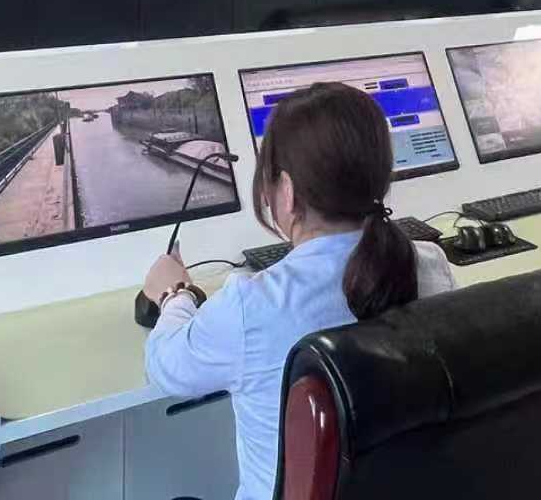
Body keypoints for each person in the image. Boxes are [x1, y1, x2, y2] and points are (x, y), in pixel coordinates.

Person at [142, 82, 456, 500]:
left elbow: (165, 369)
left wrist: (173, 294)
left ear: (286, 192)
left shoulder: (251, 305)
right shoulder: (430, 264)